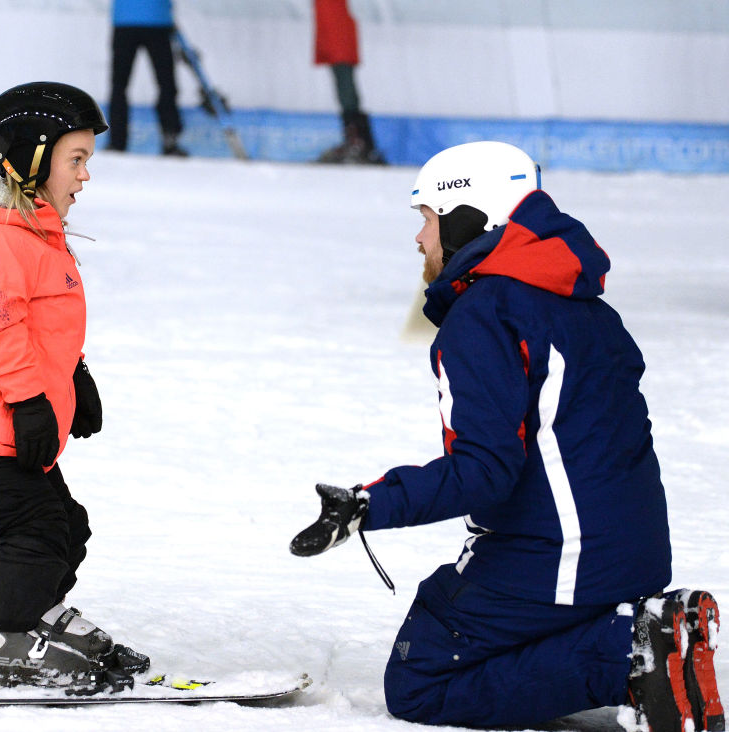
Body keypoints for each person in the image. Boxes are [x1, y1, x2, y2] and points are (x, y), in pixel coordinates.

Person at [290, 141, 723, 730]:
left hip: (559, 557)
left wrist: (370, 504)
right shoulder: (583, 305)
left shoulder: (484, 316)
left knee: (421, 678)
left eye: (427, 220)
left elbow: (484, 471)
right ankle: (638, 631)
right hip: (634, 549)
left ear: (468, 217)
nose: (419, 239)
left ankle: (630, 650)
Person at [0, 81, 148, 689]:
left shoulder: (33, 234)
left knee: (66, 527)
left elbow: (37, 322)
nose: (85, 176)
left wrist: (74, 377)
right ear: (30, 159)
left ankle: (35, 616)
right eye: (75, 160)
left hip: (11, 437)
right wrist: (27, 399)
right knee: (35, 532)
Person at [108, 0, 187, 156]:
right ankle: (170, 140)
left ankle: (116, 143)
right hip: (156, 20)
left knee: (119, 86)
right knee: (166, 84)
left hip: (127, 20)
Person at [313, 0, 384, 165]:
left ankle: (358, 141)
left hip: (338, 40)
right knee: (344, 90)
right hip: (334, 39)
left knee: (346, 91)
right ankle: (358, 141)